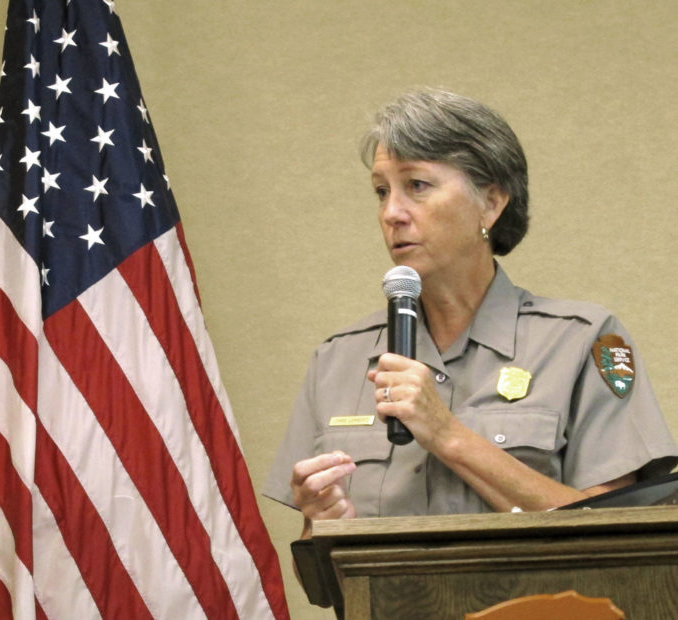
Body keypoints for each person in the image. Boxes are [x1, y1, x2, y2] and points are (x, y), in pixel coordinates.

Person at [264, 88, 678, 538]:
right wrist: (327, 529)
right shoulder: (337, 361)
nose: (391, 213)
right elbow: (318, 586)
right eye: (381, 192)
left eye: (416, 185)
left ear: (491, 203)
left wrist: (445, 433)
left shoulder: (582, 341)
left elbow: (618, 538)